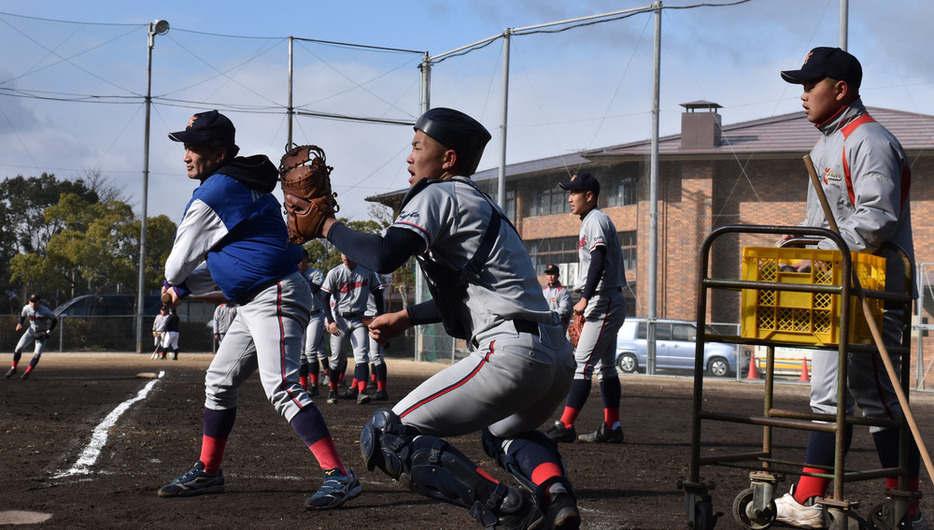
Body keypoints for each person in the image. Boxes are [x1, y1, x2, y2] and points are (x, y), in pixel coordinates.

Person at [319, 107, 579, 529]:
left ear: (448, 159)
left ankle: (506, 508)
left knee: (386, 435)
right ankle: (556, 497)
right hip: (554, 357)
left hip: (510, 354)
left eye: (418, 146)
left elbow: (385, 255)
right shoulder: (478, 202)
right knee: (501, 434)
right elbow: (466, 296)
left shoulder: (438, 195)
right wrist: (407, 315)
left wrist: (328, 225)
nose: (409, 156)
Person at [156, 109, 360, 510]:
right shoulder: (248, 184)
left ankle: (340, 476)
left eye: (193, 147)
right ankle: (209, 472)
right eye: (185, 146)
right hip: (256, 297)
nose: (185, 155)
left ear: (218, 152)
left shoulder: (213, 193)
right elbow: (237, 265)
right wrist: (184, 285)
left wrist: (174, 282)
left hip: (275, 295)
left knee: (281, 386)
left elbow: (175, 265)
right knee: (219, 380)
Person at [774, 47, 923, 529]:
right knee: (828, 394)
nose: (802, 95)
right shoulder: (825, 144)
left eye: (810, 84)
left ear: (840, 89)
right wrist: (798, 236)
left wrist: (817, 249)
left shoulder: (869, 139)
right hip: (837, 287)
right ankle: (808, 499)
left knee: (877, 398)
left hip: (874, 291)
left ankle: (908, 508)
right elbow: (828, 218)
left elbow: (877, 218)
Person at [546, 173, 627, 445]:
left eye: (574, 192)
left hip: (603, 301)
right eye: (568, 192)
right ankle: (612, 427)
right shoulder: (591, 221)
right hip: (607, 299)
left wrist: (584, 298)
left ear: (589, 195)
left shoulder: (596, 220)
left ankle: (565, 425)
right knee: (606, 367)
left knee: (582, 364)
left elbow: (599, 259)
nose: (569, 198)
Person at [320, 253, 384, 405]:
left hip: (359, 318)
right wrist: (330, 320)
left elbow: (378, 293)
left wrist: (380, 317)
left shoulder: (366, 271)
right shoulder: (335, 272)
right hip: (339, 320)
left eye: (348, 253)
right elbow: (324, 297)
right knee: (337, 359)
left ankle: (362, 392)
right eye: (342, 253)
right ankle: (333, 390)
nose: (345, 256)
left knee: (362, 355)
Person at [6, 293, 57, 381]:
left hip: (42, 333)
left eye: (35, 301)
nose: (33, 303)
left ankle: (27, 372)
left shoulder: (45, 311)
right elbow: (22, 316)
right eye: (31, 301)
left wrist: (49, 332)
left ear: (39, 302)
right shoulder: (26, 308)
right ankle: (13, 368)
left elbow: (54, 321)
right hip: (31, 331)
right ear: (29, 302)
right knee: (18, 348)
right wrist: (20, 323)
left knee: (37, 354)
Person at [298, 248, 327, 396]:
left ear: (306, 259)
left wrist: (299, 275)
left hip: (316, 315)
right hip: (301, 315)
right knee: (301, 354)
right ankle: (303, 386)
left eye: (301, 259)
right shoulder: (294, 275)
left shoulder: (316, 273)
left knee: (310, 351)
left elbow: (313, 288)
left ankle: (314, 386)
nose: (298, 262)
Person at [364, 288, 389, 401]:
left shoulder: (371, 274)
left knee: (376, 355)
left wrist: (381, 319)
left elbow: (379, 292)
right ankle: (358, 386)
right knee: (365, 355)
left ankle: (382, 391)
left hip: (374, 317)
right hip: (361, 317)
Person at [542, 263, 572, 335]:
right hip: (545, 328)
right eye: (548, 274)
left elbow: (564, 310)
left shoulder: (563, 292)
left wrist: (548, 315)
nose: (550, 277)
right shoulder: (543, 291)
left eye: (552, 274)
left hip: (558, 330)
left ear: (558, 275)